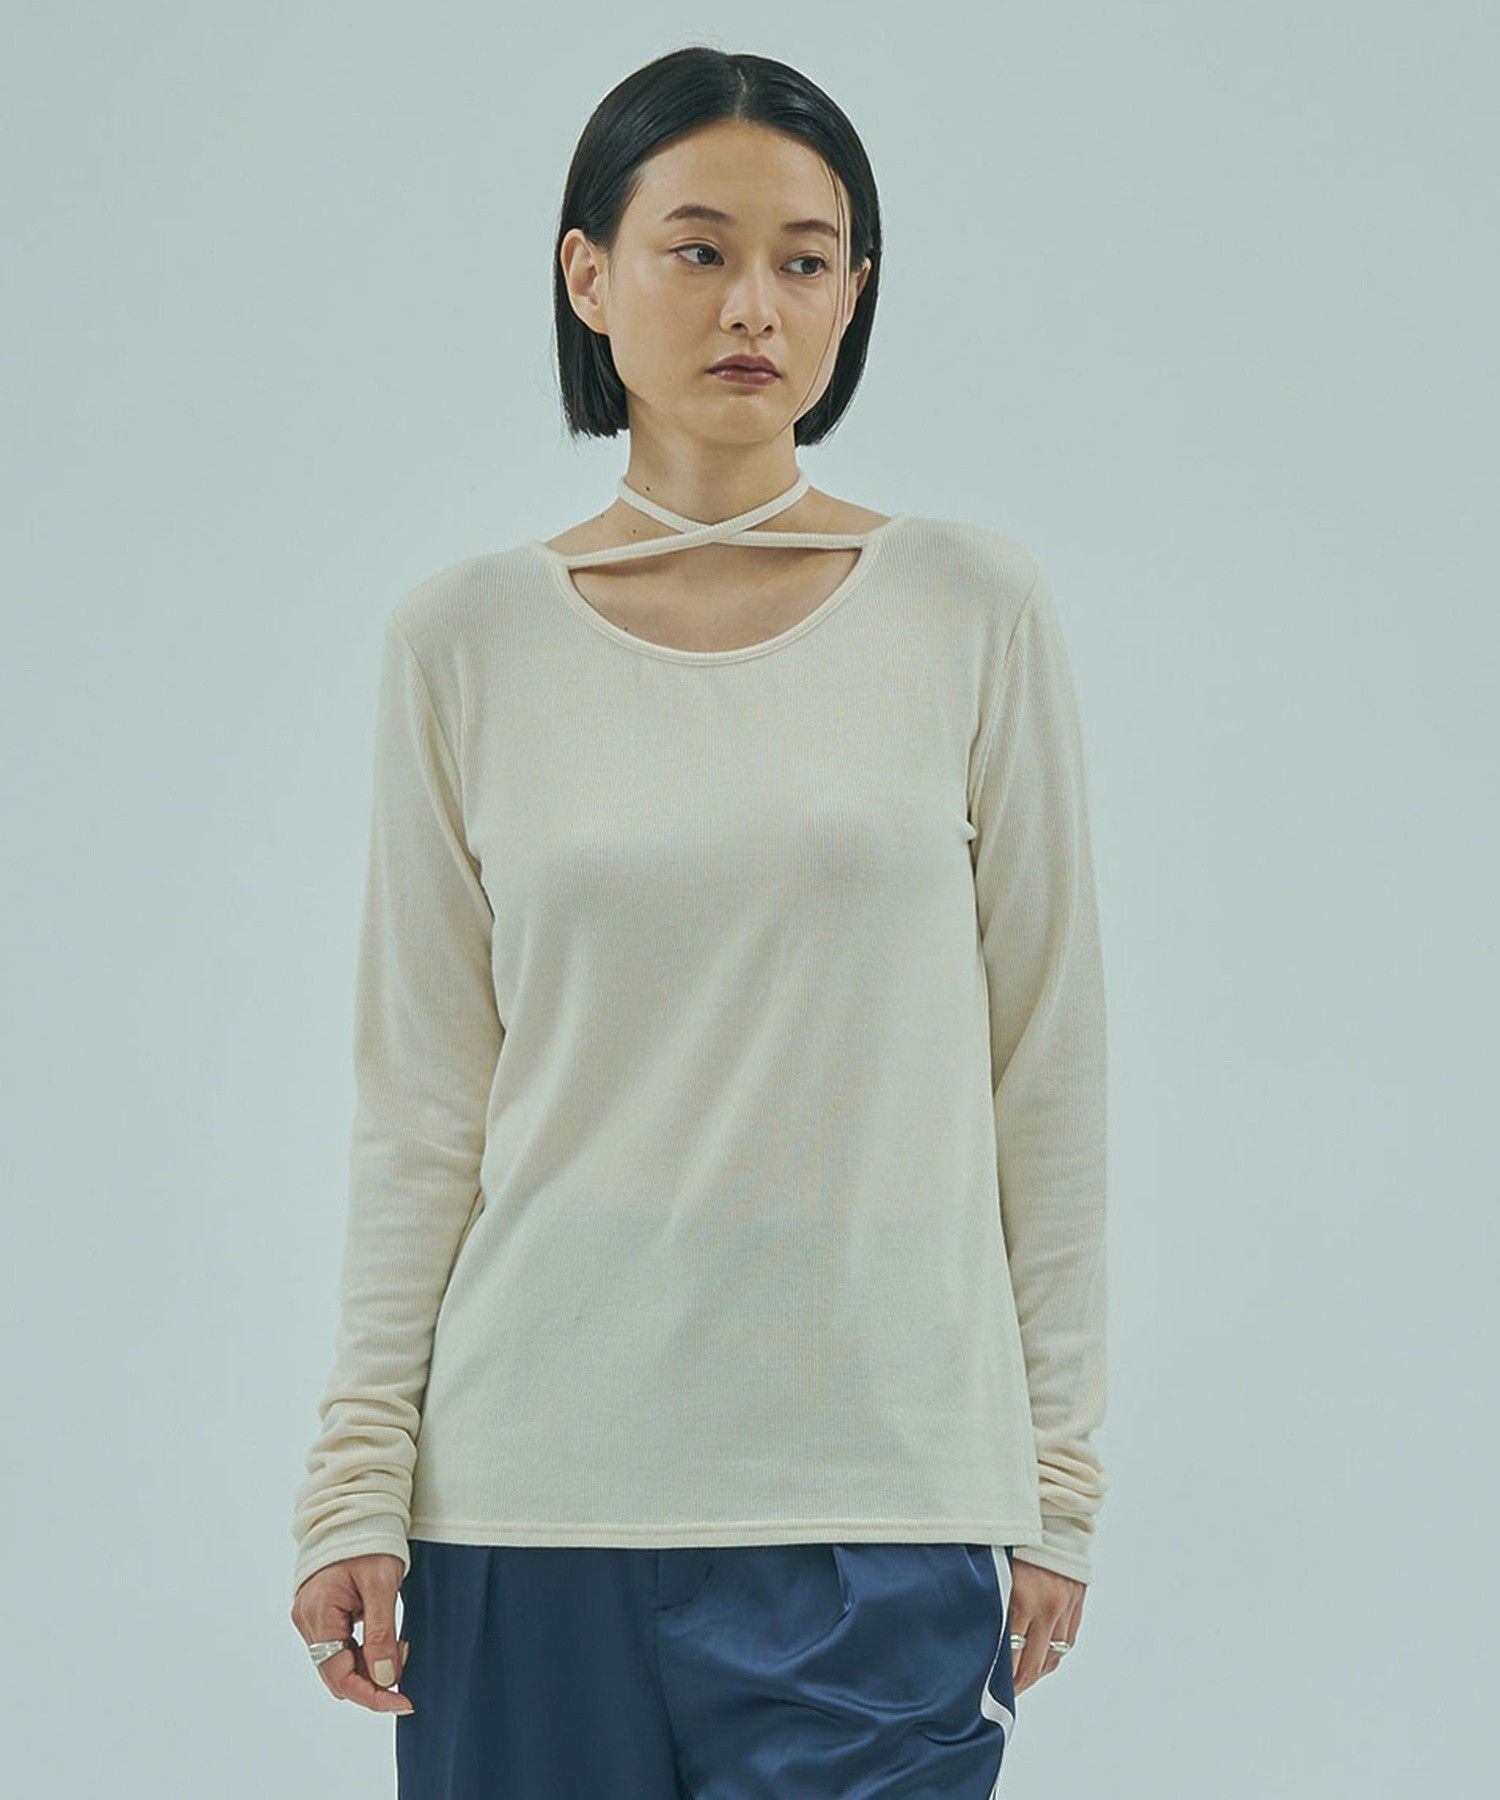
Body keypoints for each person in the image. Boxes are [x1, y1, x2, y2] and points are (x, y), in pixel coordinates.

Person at [289, 43, 1109, 1799]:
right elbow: (422, 1106)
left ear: (855, 292)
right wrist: (355, 1483)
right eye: (698, 249)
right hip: (526, 1500)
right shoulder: (462, 641)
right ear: (587, 274)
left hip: (877, 1502)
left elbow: (1046, 1071)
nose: (755, 304)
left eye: (806, 259)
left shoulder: (968, 607)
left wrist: (1055, 1482)